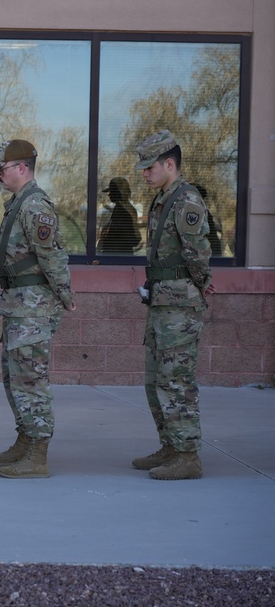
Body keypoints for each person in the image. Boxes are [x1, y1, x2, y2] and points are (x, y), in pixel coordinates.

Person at [0, 140, 74, 479]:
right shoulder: (20, 203)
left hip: (33, 309)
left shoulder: (35, 205)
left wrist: (64, 295)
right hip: (18, 305)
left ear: (21, 168)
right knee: (15, 378)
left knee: (30, 380)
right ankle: (25, 440)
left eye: (2, 170)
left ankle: (38, 454)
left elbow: (52, 256)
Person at [132, 130, 212, 481]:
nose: (145, 174)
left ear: (169, 164)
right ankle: (170, 447)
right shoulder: (164, 199)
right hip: (163, 304)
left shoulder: (186, 201)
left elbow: (198, 255)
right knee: (156, 381)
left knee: (176, 381)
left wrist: (198, 286)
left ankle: (187, 456)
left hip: (179, 307)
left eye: (149, 167)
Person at [97, 177, 140, 254]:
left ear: (119, 192)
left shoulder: (125, 211)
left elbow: (134, 238)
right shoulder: (118, 209)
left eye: (112, 192)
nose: (109, 195)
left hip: (119, 256)